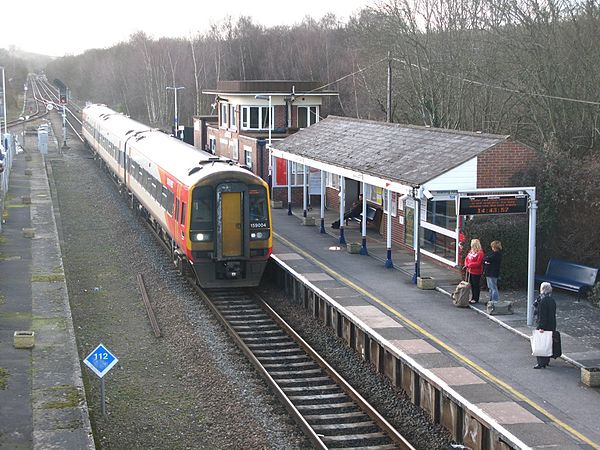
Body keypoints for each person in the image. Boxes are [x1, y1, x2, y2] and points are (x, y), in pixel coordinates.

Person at [533, 282, 557, 369]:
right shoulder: (552, 300)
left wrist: (540, 327)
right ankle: (546, 361)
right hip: (552, 324)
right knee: (548, 344)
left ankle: (540, 363)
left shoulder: (542, 301)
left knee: (540, 344)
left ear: (542, 289)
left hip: (544, 325)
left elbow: (542, 316)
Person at [464, 238, 484, 304]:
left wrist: (470, 264)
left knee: (476, 285)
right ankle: (472, 297)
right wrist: (466, 264)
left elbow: (479, 263)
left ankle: (476, 298)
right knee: (472, 285)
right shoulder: (471, 251)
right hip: (470, 270)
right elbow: (467, 258)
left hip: (476, 272)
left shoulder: (480, 253)